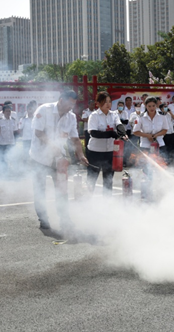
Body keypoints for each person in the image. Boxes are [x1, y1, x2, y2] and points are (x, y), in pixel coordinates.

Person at [30, 90, 89, 230]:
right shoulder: (44, 110)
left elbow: (74, 139)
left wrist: (80, 155)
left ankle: (64, 218)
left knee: (62, 189)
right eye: (69, 103)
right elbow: (38, 132)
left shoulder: (71, 117)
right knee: (40, 190)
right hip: (39, 158)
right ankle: (43, 219)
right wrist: (52, 145)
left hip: (59, 160)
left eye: (73, 104)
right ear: (61, 100)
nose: (71, 107)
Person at [86, 92, 126, 194]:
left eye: (109, 101)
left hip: (109, 152)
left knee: (108, 178)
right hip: (95, 152)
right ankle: (86, 202)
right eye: (105, 102)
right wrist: (111, 134)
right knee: (92, 178)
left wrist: (123, 133)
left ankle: (108, 203)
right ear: (98, 103)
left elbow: (119, 125)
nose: (108, 104)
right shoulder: (94, 116)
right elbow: (94, 133)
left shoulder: (114, 114)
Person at [133, 96, 168, 165]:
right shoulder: (141, 117)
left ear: (156, 105)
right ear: (145, 106)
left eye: (153, 106)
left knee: (160, 164)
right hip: (145, 145)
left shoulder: (162, 116)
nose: (152, 108)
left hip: (159, 144)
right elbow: (135, 131)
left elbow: (165, 129)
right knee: (146, 166)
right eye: (149, 106)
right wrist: (147, 135)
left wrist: (156, 135)